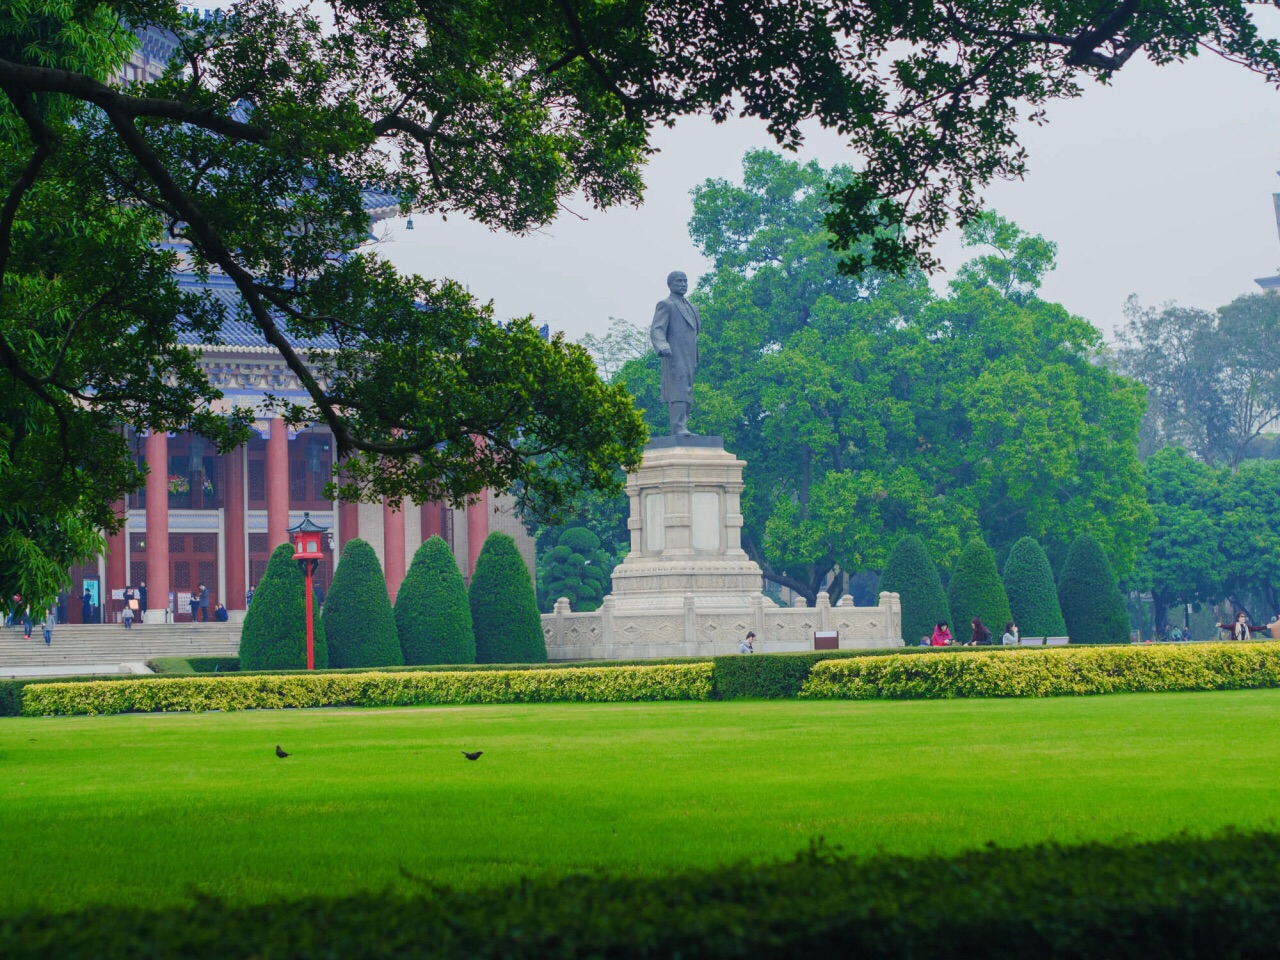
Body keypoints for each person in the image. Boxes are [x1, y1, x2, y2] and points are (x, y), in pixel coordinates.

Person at [650, 270, 700, 437]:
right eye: (679, 281)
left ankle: (683, 424)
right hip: (674, 356)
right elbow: (657, 328)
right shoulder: (666, 304)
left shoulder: (693, 307)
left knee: (687, 390)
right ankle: (678, 427)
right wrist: (662, 345)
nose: (683, 284)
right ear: (669, 284)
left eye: (685, 281)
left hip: (690, 357)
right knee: (677, 389)